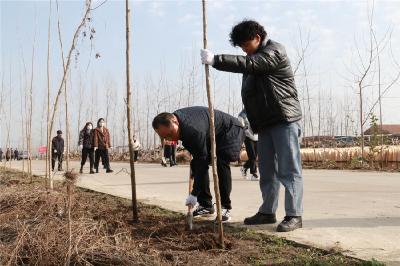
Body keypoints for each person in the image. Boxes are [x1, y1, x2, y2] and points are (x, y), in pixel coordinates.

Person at [201, 20, 303, 232]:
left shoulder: (274, 51)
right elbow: (254, 93)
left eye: (245, 45)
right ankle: (267, 212)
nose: (244, 50)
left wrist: (216, 60)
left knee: (288, 169)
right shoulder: (253, 58)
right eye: (241, 47)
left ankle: (294, 214)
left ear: (257, 38)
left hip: (285, 120)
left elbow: (252, 64)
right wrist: (246, 116)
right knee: (267, 171)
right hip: (265, 124)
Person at [152, 106, 244, 223]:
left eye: (170, 133)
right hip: (212, 132)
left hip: (230, 129)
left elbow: (202, 161)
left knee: (221, 162)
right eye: (165, 137)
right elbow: (199, 160)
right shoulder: (180, 124)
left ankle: (225, 208)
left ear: (175, 121)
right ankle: (206, 205)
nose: (170, 138)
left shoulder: (192, 129)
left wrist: (194, 193)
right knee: (196, 164)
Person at [238, 109, 259, 181]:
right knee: (252, 155)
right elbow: (240, 120)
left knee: (254, 156)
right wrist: (244, 129)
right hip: (248, 137)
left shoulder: (260, 110)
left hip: (257, 137)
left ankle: (244, 168)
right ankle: (254, 174)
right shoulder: (245, 111)